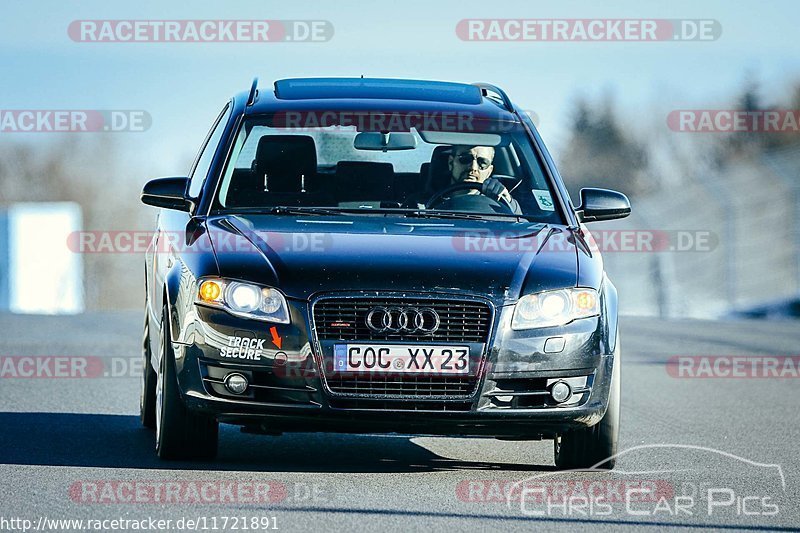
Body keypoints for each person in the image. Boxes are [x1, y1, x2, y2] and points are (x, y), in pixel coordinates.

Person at [446, 145, 521, 214]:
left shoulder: (498, 202)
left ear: (489, 171)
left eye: (483, 163)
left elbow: (520, 223)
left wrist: (507, 200)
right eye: (465, 159)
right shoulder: (434, 193)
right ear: (450, 162)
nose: (473, 167)